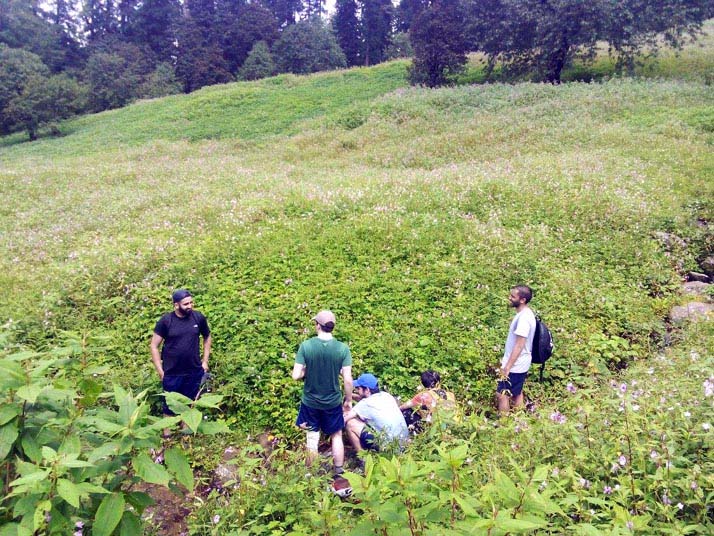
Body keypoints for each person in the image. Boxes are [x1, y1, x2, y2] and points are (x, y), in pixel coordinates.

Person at [292, 310, 353, 477]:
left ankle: (310, 475)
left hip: (310, 402)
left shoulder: (306, 346)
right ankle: (339, 472)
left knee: (312, 436)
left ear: (317, 325)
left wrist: (306, 371)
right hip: (333, 402)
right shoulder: (342, 349)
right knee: (336, 435)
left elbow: (296, 375)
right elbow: (348, 379)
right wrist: (348, 400)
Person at [150, 289, 212, 417]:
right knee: (170, 403)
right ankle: (167, 433)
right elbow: (154, 346)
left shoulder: (198, 318)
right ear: (176, 305)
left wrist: (205, 361)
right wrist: (160, 370)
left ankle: (185, 430)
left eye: (191, 303)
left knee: (190, 401)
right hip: (172, 371)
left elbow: (207, 337)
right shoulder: (166, 321)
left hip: (193, 369)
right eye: (186, 304)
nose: (190, 306)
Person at [496, 285, 536, 415]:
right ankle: (520, 420)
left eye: (513, 296)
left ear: (522, 300)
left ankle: (504, 425)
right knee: (516, 393)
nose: (509, 298)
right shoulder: (526, 314)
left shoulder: (524, 319)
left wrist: (507, 367)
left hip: (516, 365)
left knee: (502, 394)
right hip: (522, 362)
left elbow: (519, 345)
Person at [344, 373, 409, 453]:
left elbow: (344, 419)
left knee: (350, 423)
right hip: (403, 444)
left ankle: (362, 457)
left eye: (358, 388)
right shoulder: (386, 395)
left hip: (388, 448)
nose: (357, 390)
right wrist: (349, 395)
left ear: (367, 390)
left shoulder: (365, 403)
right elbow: (364, 399)